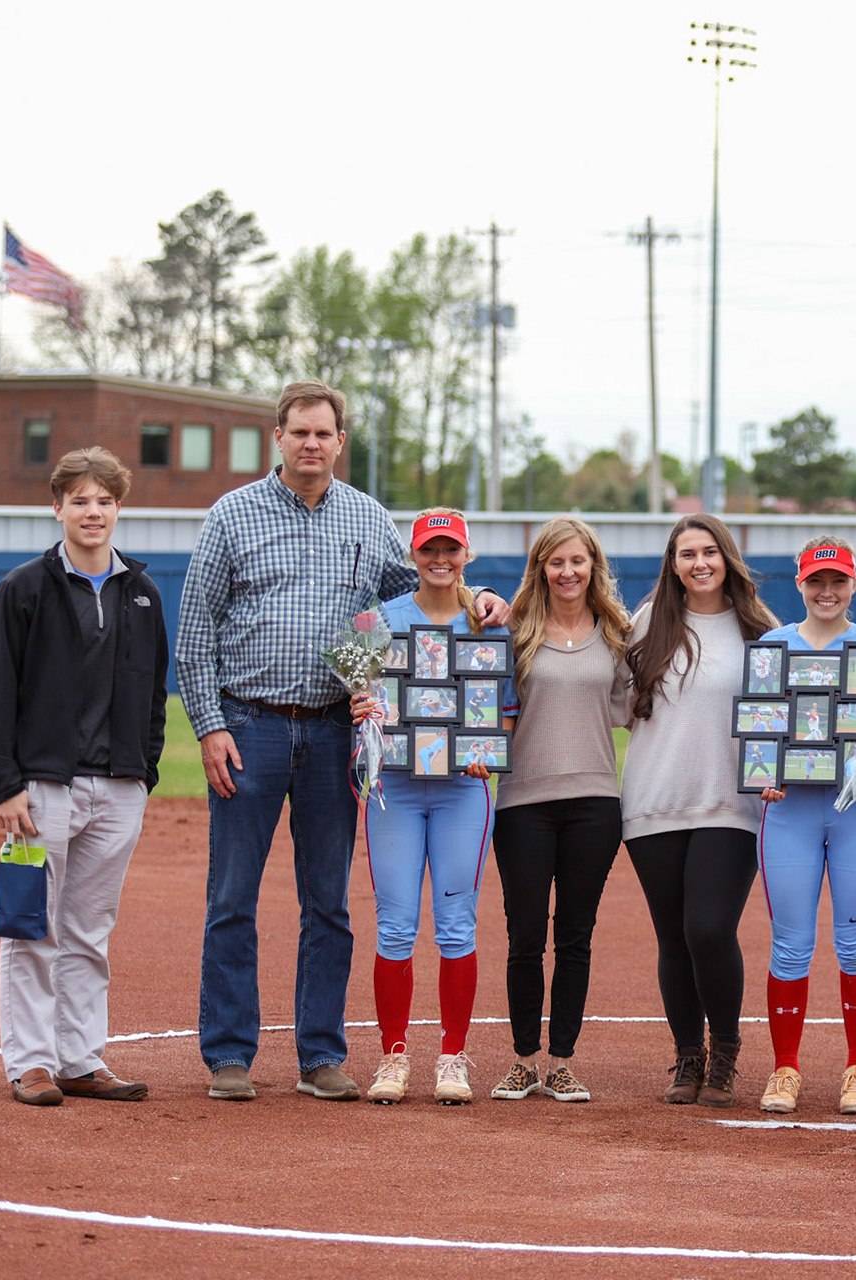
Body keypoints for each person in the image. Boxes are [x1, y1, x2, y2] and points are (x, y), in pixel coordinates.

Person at [177, 381, 507, 1103]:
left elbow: (425, 590)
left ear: (339, 442)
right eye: (299, 432)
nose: (310, 444)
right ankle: (230, 1055)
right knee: (233, 897)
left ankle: (320, 1055)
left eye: (323, 433)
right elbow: (196, 634)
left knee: (326, 902)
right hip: (250, 726)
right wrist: (210, 728)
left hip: (335, 732)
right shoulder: (232, 515)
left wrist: (480, 598)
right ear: (278, 437)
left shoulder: (366, 517)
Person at [0, 447, 166, 1107]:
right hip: (40, 791)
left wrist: (143, 775)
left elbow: (152, 695)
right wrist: (6, 786)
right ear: (57, 508)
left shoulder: (141, 592)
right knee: (32, 923)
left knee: (89, 929)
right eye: (80, 500)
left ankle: (80, 1059)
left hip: (119, 789)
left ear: (119, 508)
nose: (93, 511)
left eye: (104, 500)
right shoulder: (22, 589)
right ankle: (29, 1063)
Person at [351, 510, 516, 1106]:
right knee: (394, 925)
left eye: (450, 549)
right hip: (394, 787)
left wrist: (485, 750)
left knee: (455, 925)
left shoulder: (489, 622)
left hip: (462, 791)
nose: (439, 559)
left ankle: (452, 1056)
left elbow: (505, 711)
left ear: (467, 554)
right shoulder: (379, 620)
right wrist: (362, 712)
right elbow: (360, 693)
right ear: (414, 554)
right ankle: (394, 1055)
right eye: (429, 549)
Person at [621, 514, 779, 1107]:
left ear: (727, 558)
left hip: (731, 802)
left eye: (710, 551)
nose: (700, 563)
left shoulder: (763, 632)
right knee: (672, 937)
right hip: (653, 801)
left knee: (708, 929)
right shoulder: (644, 625)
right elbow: (609, 699)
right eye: (686, 554)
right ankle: (688, 1055)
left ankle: (727, 1051)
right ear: (673, 564)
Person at [752, 538, 856, 1116]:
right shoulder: (773, 646)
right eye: (817, 581)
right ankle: (785, 1068)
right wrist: (761, 768)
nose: (826, 591)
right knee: (790, 945)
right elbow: (756, 725)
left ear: (853, 585)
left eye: (837, 581)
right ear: (799, 584)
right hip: (788, 809)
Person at [488, 517, 632, 1104]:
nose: (568, 572)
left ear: (593, 567)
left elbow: (630, 706)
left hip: (596, 803)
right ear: (541, 568)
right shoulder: (512, 631)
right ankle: (524, 1060)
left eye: (578, 561)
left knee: (575, 935)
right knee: (524, 936)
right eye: (556, 562)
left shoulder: (618, 633)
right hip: (523, 802)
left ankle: (563, 1061)